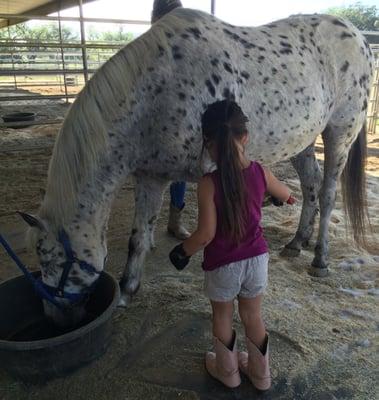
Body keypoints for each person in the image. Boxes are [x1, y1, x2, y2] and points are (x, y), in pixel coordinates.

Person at [169, 100, 295, 390]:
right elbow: (286, 193)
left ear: (208, 143)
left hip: (223, 264)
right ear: (245, 137)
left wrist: (182, 251)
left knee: (223, 315)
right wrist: (284, 198)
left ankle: (228, 371)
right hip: (257, 261)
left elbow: (205, 234)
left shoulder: (207, 183)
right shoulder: (261, 173)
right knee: (253, 315)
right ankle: (261, 376)